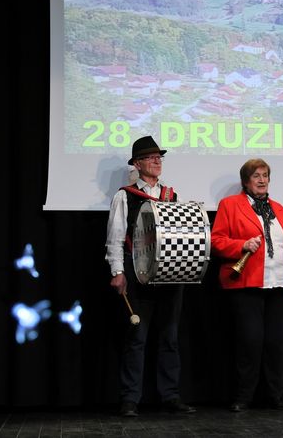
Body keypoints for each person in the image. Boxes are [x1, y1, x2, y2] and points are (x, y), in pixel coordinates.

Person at [105, 136, 196, 417]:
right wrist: (118, 272)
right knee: (137, 338)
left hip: (170, 275)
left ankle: (170, 396)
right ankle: (130, 398)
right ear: (137, 164)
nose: (157, 161)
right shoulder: (125, 196)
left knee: (169, 338)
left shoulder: (173, 196)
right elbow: (116, 237)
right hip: (137, 274)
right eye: (151, 157)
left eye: (159, 157)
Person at [211, 158, 283, 412]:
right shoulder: (230, 205)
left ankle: (276, 396)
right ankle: (244, 396)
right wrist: (240, 245)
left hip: (279, 284)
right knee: (250, 342)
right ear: (245, 181)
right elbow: (216, 240)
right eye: (256, 176)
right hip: (246, 284)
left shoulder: (279, 209)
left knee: (276, 343)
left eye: (265, 175)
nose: (262, 180)